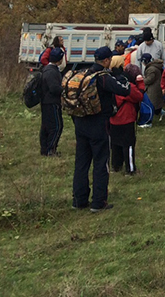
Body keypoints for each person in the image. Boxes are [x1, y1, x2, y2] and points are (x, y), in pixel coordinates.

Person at [72, 46, 130, 212]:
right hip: (99, 123)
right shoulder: (103, 77)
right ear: (106, 61)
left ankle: (79, 200)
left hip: (80, 122)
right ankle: (99, 202)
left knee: (81, 163)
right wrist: (121, 76)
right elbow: (124, 90)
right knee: (101, 162)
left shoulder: (84, 74)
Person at [109, 55, 144, 175]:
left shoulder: (109, 80)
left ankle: (116, 166)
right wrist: (140, 84)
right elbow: (138, 96)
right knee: (128, 144)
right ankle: (130, 169)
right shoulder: (125, 83)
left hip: (113, 117)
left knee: (115, 144)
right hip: (126, 117)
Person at [40, 48, 65, 156]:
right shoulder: (51, 71)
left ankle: (45, 149)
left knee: (46, 126)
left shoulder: (47, 69)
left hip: (46, 102)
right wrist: (65, 89)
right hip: (51, 103)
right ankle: (50, 149)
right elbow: (54, 88)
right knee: (56, 126)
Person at [142, 53, 164, 125]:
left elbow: (149, 80)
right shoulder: (154, 66)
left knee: (151, 104)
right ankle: (160, 112)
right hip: (157, 87)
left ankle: (149, 120)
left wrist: (141, 81)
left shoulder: (151, 69)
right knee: (157, 102)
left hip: (153, 88)